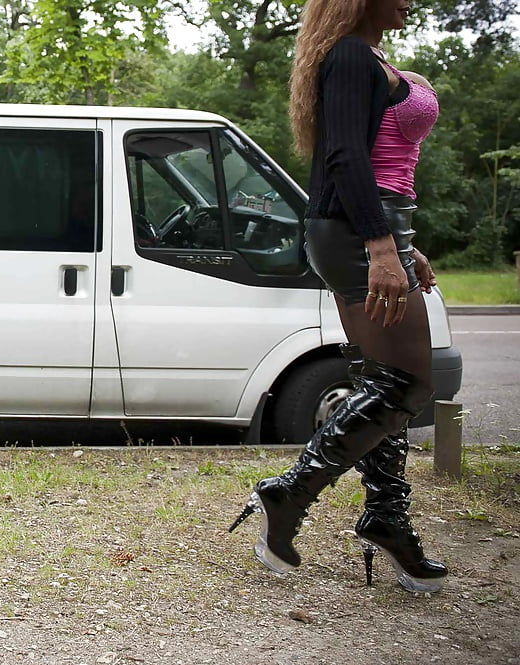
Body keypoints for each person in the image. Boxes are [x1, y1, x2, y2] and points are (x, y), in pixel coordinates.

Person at [229, 0, 448, 593]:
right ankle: (288, 493)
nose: (410, 1)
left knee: (385, 382)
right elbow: (347, 157)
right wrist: (380, 246)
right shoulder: (350, 55)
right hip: (358, 230)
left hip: (376, 225)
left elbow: (387, 164)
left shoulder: (367, 56)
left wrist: (404, 244)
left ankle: (387, 519)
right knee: (412, 384)